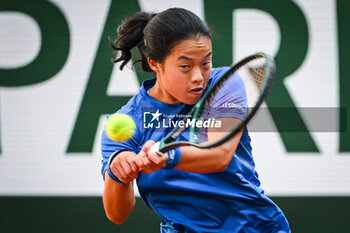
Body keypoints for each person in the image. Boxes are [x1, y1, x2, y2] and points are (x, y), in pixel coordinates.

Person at [101, 7, 291, 233]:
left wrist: (167, 157)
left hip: (254, 228)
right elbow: (117, 214)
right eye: (185, 66)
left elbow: (219, 155)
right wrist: (118, 171)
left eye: (205, 63)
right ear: (154, 64)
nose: (199, 77)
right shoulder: (128, 121)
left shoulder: (224, 84)